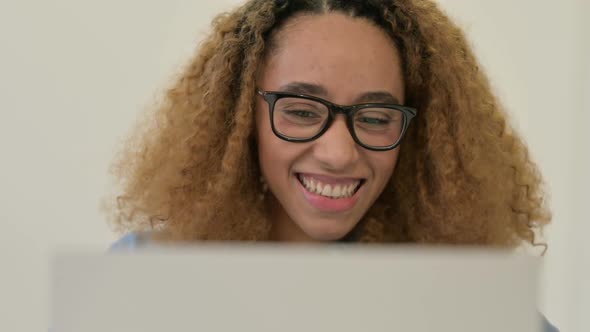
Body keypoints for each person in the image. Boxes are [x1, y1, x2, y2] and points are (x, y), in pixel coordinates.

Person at [106, 0, 557, 330]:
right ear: (241, 117)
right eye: (302, 111)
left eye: (377, 118)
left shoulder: (465, 305)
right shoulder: (144, 276)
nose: (339, 153)